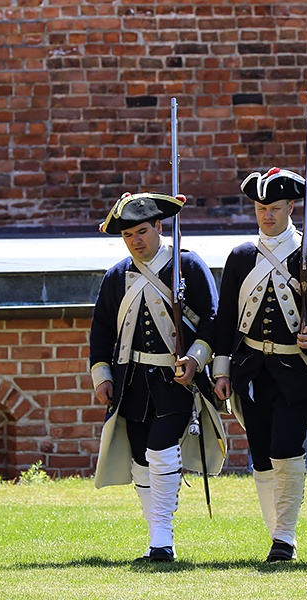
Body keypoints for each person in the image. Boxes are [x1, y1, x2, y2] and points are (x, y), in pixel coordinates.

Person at [212, 167, 307, 562]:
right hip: (251, 370)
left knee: (287, 448)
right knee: (262, 454)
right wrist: (221, 370)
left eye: (275, 207)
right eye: (260, 207)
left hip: (297, 371)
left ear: (290, 208)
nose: (267, 215)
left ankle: (285, 536)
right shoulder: (240, 257)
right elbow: (225, 319)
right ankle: (277, 535)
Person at [90, 192, 221, 563]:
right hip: (131, 380)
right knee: (139, 457)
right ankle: (156, 538)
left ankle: (163, 539)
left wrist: (195, 360)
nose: (136, 240)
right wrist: (102, 376)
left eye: (142, 231)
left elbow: (212, 320)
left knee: (161, 449)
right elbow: (100, 332)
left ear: (159, 227)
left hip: (174, 378)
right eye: (128, 234)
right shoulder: (117, 276)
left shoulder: (187, 266)